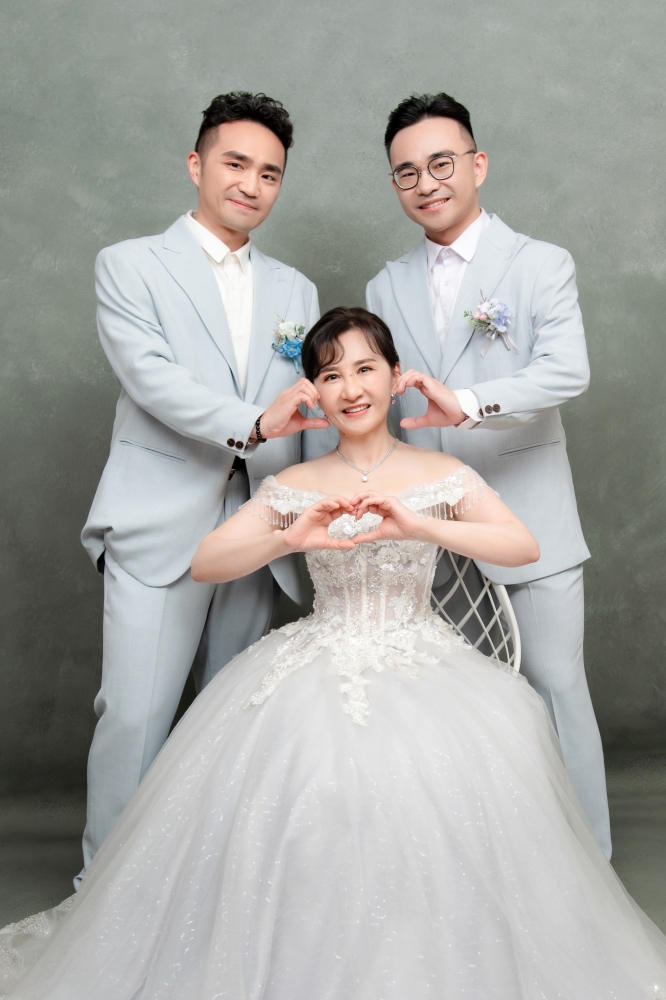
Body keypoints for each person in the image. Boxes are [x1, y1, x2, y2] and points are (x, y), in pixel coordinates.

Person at [2, 308, 666, 1000]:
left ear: (396, 377)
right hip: (321, 653)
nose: (350, 388)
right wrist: (288, 538)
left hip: (427, 657)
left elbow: (521, 546)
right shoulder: (297, 485)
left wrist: (421, 524)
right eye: (330, 375)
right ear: (313, 393)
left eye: (365, 368)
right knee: (311, 773)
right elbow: (207, 562)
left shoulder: (440, 471)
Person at [76, 91, 333, 882]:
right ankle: (105, 891)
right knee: (137, 715)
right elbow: (152, 380)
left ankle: (215, 889)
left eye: (269, 173)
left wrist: (327, 503)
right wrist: (254, 422)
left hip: (261, 526)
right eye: (235, 164)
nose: (251, 184)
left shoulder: (296, 290)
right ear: (196, 164)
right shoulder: (129, 265)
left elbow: (310, 411)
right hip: (160, 523)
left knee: (233, 723)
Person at [366, 92, 611, 857]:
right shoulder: (384, 286)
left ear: (478, 164)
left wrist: (470, 403)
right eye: (407, 172)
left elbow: (567, 370)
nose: (426, 183)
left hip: (529, 519)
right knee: (456, 704)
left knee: (555, 685)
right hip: (432, 533)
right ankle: (486, 857)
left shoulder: (540, 263)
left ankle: (589, 860)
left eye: (441, 163)